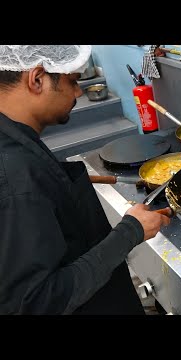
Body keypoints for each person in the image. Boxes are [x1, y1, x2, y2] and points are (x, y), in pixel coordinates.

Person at [0, 45, 171, 315]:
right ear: (37, 79)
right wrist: (130, 231)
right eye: (73, 81)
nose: (79, 92)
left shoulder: (13, 140)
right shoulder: (14, 174)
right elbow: (36, 302)